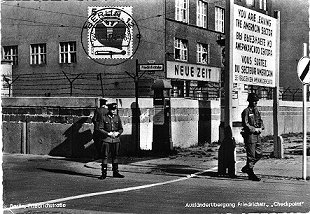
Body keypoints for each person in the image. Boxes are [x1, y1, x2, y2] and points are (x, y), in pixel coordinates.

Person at [95, 102, 124, 179]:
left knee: (115, 156)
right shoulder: (104, 117)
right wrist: (108, 134)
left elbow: (121, 128)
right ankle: (104, 173)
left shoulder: (117, 117)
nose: (113, 111)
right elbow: (100, 128)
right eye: (112, 109)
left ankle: (116, 172)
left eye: (115, 109)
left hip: (116, 140)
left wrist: (118, 133)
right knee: (105, 156)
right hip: (106, 140)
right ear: (109, 109)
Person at [241, 93, 264, 181]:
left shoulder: (256, 111)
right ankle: (250, 173)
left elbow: (260, 120)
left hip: (257, 135)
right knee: (251, 155)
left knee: (259, 153)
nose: (255, 103)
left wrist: (261, 127)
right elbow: (245, 124)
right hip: (250, 135)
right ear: (250, 101)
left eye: (256, 101)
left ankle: (247, 167)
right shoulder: (246, 111)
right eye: (254, 101)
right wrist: (254, 129)